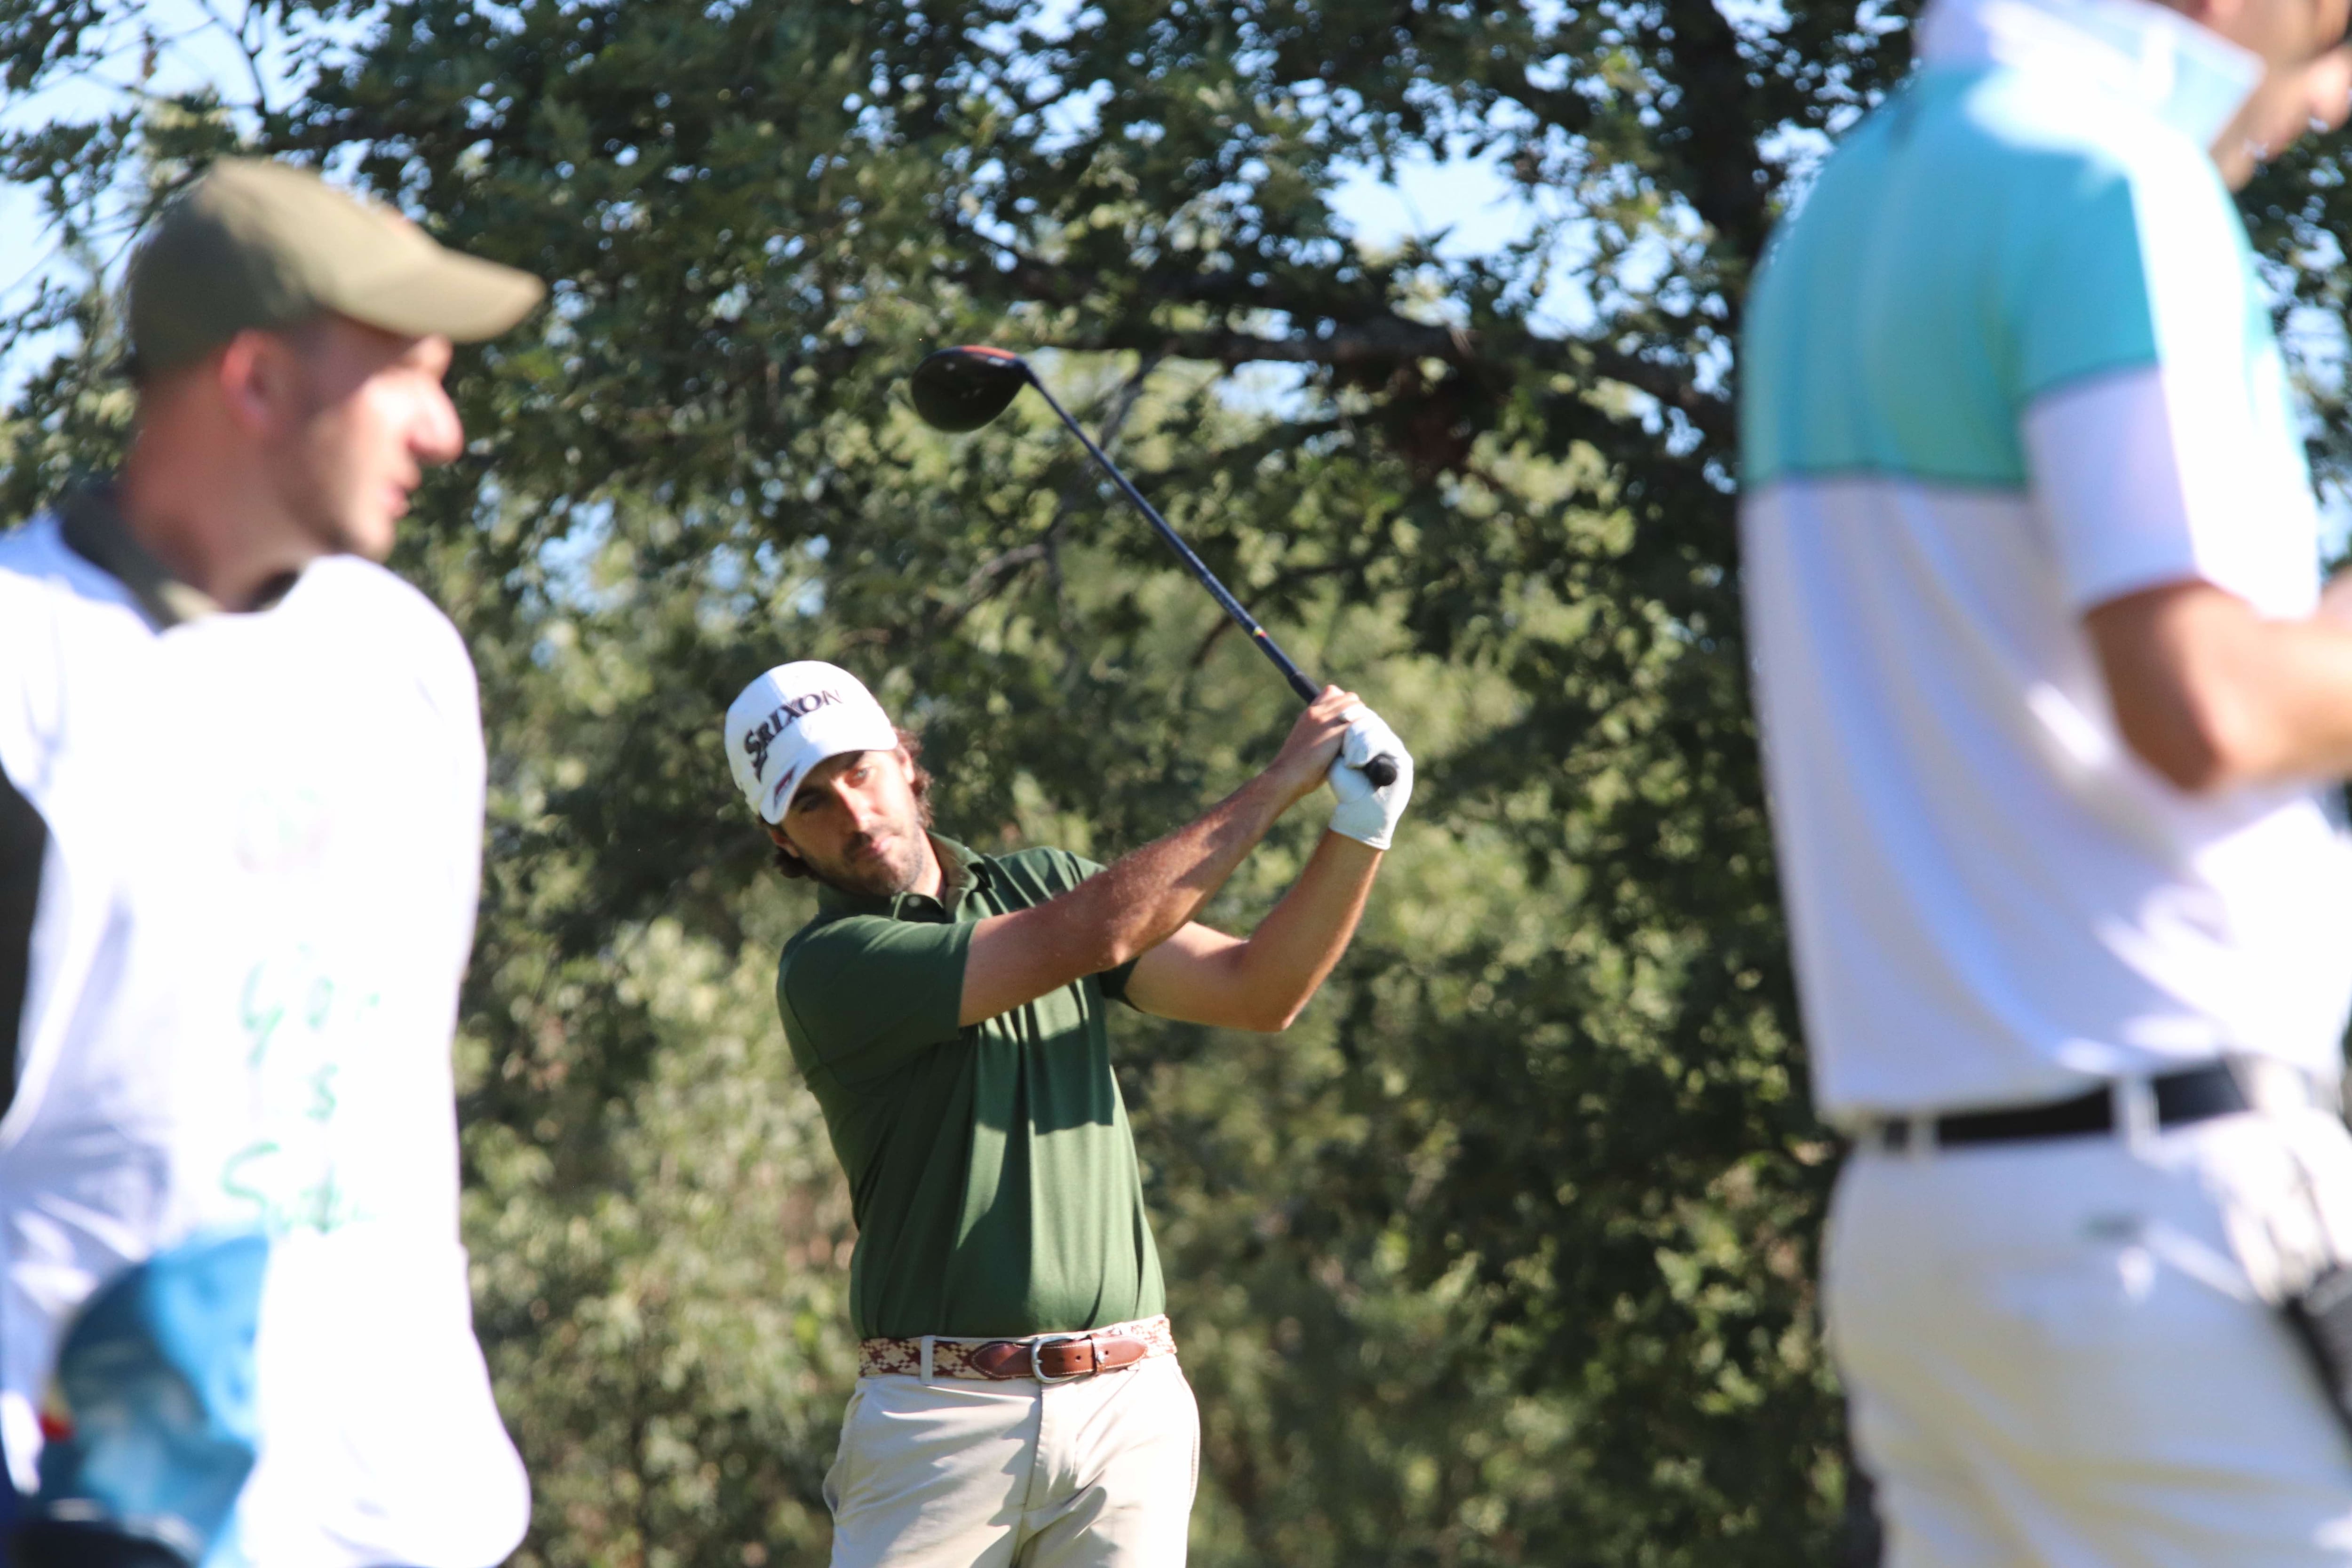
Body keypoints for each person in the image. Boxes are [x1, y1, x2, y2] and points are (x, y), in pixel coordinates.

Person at [1740, 0, 2352, 1560]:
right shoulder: (2111, 186)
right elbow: (2206, 705)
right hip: (2168, 1223)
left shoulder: (1847, 210)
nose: (2335, 58)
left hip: (1924, 1238)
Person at [0, 159, 543, 1566]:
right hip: (105, 1513)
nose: (447, 428)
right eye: (407, 375)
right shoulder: (23, 675)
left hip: (403, 1509)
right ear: (254, 381)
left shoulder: (408, 663)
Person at [722, 660, 1412, 1565]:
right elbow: (1097, 932)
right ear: (782, 837)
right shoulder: (831, 967)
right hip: (940, 1421)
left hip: (1125, 1405)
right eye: (811, 801)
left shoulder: (1043, 881)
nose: (852, 812)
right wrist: (1281, 782)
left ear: (904, 757)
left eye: (858, 771)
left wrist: (1363, 824)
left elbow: (1259, 990)